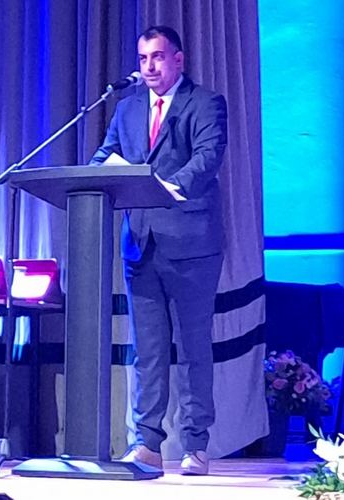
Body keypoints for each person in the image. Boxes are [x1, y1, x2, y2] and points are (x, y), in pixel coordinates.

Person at [91, 26, 227, 475]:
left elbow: (207, 158)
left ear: (178, 60)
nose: (149, 66)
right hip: (140, 243)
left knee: (192, 348)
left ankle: (196, 445)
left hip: (192, 243)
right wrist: (91, 176)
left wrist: (168, 187)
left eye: (158, 57)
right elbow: (106, 155)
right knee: (147, 351)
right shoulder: (127, 109)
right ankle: (147, 444)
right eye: (143, 58)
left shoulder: (205, 103)